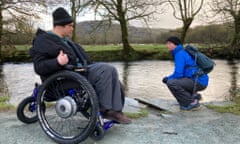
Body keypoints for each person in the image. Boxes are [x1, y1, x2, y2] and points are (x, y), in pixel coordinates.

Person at [30, 7, 131, 124]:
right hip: (63, 80)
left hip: (80, 72)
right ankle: (105, 111)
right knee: (106, 70)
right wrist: (57, 62)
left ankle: (116, 111)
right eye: (70, 26)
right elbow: (39, 67)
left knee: (111, 71)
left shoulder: (67, 41)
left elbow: (86, 61)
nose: (72, 29)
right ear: (60, 25)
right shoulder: (43, 41)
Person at [162, 36, 209, 111]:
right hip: (200, 81)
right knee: (176, 81)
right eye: (167, 43)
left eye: (169, 43)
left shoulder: (179, 54)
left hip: (199, 82)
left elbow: (178, 74)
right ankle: (195, 96)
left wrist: (167, 78)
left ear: (175, 44)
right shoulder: (182, 52)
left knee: (171, 83)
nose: (167, 45)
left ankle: (191, 103)